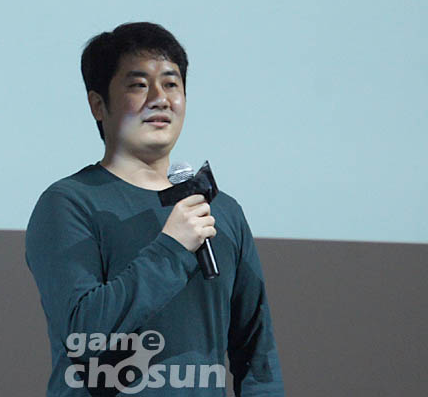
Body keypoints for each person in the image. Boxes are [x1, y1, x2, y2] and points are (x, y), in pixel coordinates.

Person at [25, 22, 285, 396]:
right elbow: (82, 334)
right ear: (98, 105)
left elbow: (258, 355)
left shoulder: (221, 211)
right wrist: (172, 249)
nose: (160, 99)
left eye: (171, 84)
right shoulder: (68, 204)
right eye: (138, 85)